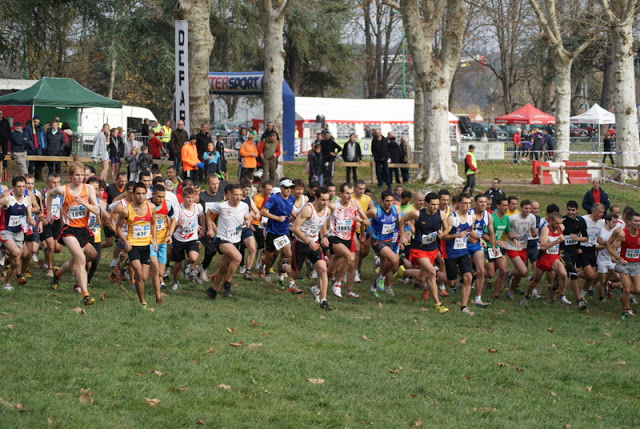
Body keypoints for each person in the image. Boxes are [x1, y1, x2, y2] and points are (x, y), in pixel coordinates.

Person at [47, 163, 100, 305]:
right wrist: (48, 213)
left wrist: (84, 202)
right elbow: (49, 194)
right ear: (71, 176)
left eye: (82, 175)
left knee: (86, 258)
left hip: (83, 229)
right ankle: (85, 294)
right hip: (68, 230)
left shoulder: (88, 188)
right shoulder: (63, 190)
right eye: (77, 175)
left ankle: (57, 274)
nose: (80, 178)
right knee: (81, 259)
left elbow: (96, 210)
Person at [399, 193, 449, 312]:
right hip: (419, 249)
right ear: (426, 203)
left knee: (422, 277)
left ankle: (402, 271)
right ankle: (438, 304)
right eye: (432, 204)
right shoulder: (417, 214)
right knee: (432, 273)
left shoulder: (441, 214)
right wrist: (402, 234)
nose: (435, 207)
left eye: (437, 204)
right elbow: (402, 220)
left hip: (432, 249)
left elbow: (446, 229)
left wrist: (443, 234)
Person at [288, 186, 332, 310]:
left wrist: (323, 236)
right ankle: (284, 266)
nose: (325, 203)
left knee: (323, 269)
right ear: (316, 198)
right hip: (301, 244)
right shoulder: (308, 210)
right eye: (323, 200)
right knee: (295, 273)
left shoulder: (327, 210)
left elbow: (322, 222)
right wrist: (308, 242)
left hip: (314, 244)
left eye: (327, 200)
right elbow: (294, 228)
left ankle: (323, 299)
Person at [205, 183, 252, 298]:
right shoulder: (222, 206)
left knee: (223, 268)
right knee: (238, 258)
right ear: (230, 195)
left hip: (236, 239)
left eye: (240, 195)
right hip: (223, 239)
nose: (238, 197)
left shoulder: (244, 206)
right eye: (236, 194)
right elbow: (208, 213)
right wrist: (210, 228)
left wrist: (248, 221)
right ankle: (227, 284)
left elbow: (247, 217)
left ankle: (213, 289)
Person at [114, 182, 157, 307]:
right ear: (133, 194)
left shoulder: (151, 207)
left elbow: (153, 224)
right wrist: (125, 241)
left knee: (143, 277)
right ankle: (143, 302)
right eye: (138, 193)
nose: (141, 196)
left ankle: (126, 262)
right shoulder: (126, 210)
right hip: (133, 245)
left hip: (146, 245)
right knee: (138, 273)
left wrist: (154, 240)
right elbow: (118, 228)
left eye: (143, 194)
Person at [326, 183, 369, 298]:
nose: (349, 196)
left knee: (331, 271)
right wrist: (323, 236)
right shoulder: (333, 206)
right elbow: (322, 219)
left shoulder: (355, 204)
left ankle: (317, 288)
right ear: (341, 194)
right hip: (334, 238)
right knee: (350, 257)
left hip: (348, 238)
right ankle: (338, 283)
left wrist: (360, 220)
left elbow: (368, 222)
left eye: (351, 193)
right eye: (347, 193)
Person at [441, 193, 477, 315]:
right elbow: (444, 237)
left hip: (463, 252)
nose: (467, 206)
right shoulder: (452, 218)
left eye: (469, 203)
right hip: (450, 253)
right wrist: (457, 235)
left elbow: (469, 231)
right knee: (452, 282)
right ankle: (434, 273)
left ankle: (464, 307)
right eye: (465, 203)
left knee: (468, 277)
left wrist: (480, 239)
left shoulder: (471, 217)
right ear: (458, 204)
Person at [521, 212, 567, 307]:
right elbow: (542, 247)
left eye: (560, 223)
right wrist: (557, 241)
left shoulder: (561, 227)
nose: (558, 225)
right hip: (544, 258)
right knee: (535, 281)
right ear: (550, 221)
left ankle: (562, 296)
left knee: (563, 274)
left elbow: (563, 227)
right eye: (556, 223)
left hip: (554, 257)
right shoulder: (545, 230)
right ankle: (527, 296)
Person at [260, 178, 296, 290]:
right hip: (272, 231)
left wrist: (295, 217)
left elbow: (289, 209)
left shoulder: (292, 198)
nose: (288, 190)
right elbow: (263, 211)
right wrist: (277, 218)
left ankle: (290, 281)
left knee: (289, 255)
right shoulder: (274, 198)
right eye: (286, 187)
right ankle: (266, 270)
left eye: (290, 188)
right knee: (270, 257)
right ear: (281, 188)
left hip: (284, 232)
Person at [0, 176, 35, 290]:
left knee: (15, 262)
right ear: (13, 187)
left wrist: (31, 220)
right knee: (15, 253)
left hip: (18, 232)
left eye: (23, 187)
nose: (21, 189)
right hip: (5, 231)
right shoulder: (7, 199)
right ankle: (2, 249)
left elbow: (28, 216)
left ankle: (7, 283)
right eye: (19, 187)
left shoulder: (27, 199)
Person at [167, 186, 205, 290]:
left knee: (193, 258)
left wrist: (203, 228)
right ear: (183, 197)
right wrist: (178, 224)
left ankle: (188, 266)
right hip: (179, 239)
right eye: (188, 198)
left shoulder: (198, 207)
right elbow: (172, 224)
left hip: (192, 238)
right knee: (177, 264)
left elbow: (202, 216)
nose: (190, 200)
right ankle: (175, 281)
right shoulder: (178, 209)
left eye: (192, 197)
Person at [368, 190, 402, 297]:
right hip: (377, 240)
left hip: (390, 240)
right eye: (387, 201)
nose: (390, 203)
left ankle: (373, 288)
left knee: (387, 266)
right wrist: (363, 230)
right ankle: (381, 279)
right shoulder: (375, 211)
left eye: (392, 201)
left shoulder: (396, 209)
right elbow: (362, 216)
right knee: (394, 260)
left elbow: (399, 223)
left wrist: (402, 236)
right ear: (382, 200)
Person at [607, 212, 640, 319]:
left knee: (638, 290)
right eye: (635, 221)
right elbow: (612, 247)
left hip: (636, 264)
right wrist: (619, 259)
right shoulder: (623, 234)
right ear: (629, 222)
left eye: (639, 221)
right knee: (627, 288)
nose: (637, 223)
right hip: (624, 264)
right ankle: (624, 311)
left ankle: (616, 286)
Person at [503, 199, 537, 300]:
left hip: (523, 247)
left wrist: (534, 233)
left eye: (529, 208)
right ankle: (509, 274)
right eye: (525, 208)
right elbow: (505, 230)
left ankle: (510, 291)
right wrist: (512, 237)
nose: (528, 210)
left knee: (519, 273)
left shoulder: (532, 217)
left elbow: (533, 230)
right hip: (511, 247)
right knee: (524, 271)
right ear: (521, 208)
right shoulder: (513, 218)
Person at [467, 194, 494, 307]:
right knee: (465, 273)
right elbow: (465, 229)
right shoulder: (469, 213)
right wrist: (471, 238)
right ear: (475, 203)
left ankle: (478, 298)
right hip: (464, 244)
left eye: (485, 202)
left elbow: (491, 233)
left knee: (481, 271)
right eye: (481, 202)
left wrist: (492, 247)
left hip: (478, 245)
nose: (483, 204)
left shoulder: (488, 216)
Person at [41, 173, 63, 277]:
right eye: (54, 182)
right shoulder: (43, 194)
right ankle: (50, 269)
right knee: (51, 246)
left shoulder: (62, 194)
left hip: (58, 222)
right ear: (48, 183)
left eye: (58, 182)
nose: (56, 185)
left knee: (57, 248)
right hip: (47, 222)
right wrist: (42, 219)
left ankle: (45, 250)